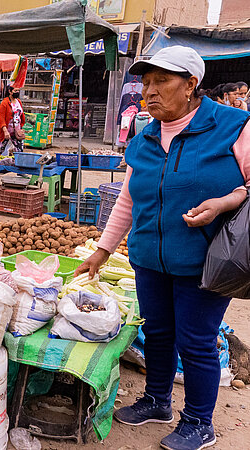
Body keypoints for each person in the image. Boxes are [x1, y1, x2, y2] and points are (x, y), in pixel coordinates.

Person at [75, 46, 250, 450]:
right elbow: (128, 199)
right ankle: (157, 401)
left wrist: (226, 201)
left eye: (161, 81)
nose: (149, 92)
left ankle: (199, 423)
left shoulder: (233, 127)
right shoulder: (145, 134)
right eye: (146, 83)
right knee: (156, 332)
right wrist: (103, 250)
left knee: (196, 341)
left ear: (191, 85)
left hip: (206, 262)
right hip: (150, 259)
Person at [0, 85, 26, 157]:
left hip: (17, 131)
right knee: (0, 150)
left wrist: (21, 126)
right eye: (15, 91)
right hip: (6, 130)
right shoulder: (5, 103)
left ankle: (19, 165)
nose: (17, 92)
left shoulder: (19, 102)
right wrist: (5, 130)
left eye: (18, 90)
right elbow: (2, 118)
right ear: (10, 91)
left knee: (19, 150)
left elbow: (21, 115)